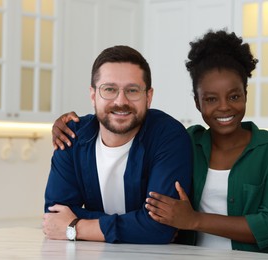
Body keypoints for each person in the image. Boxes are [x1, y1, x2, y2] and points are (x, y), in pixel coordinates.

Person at [52, 30, 268, 256]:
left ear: (245, 94)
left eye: (234, 96)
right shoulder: (187, 141)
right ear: (197, 103)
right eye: (211, 98)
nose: (224, 107)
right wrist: (66, 124)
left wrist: (194, 220)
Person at [43, 45, 193, 244]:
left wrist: (75, 227)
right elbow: (54, 216)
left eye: (132, 90)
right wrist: (139, 226)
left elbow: (160, 227)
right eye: (109, 89)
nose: (120, 101)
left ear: (148, 97)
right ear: (93, 95)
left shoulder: (168, 136)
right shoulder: (71, 135)